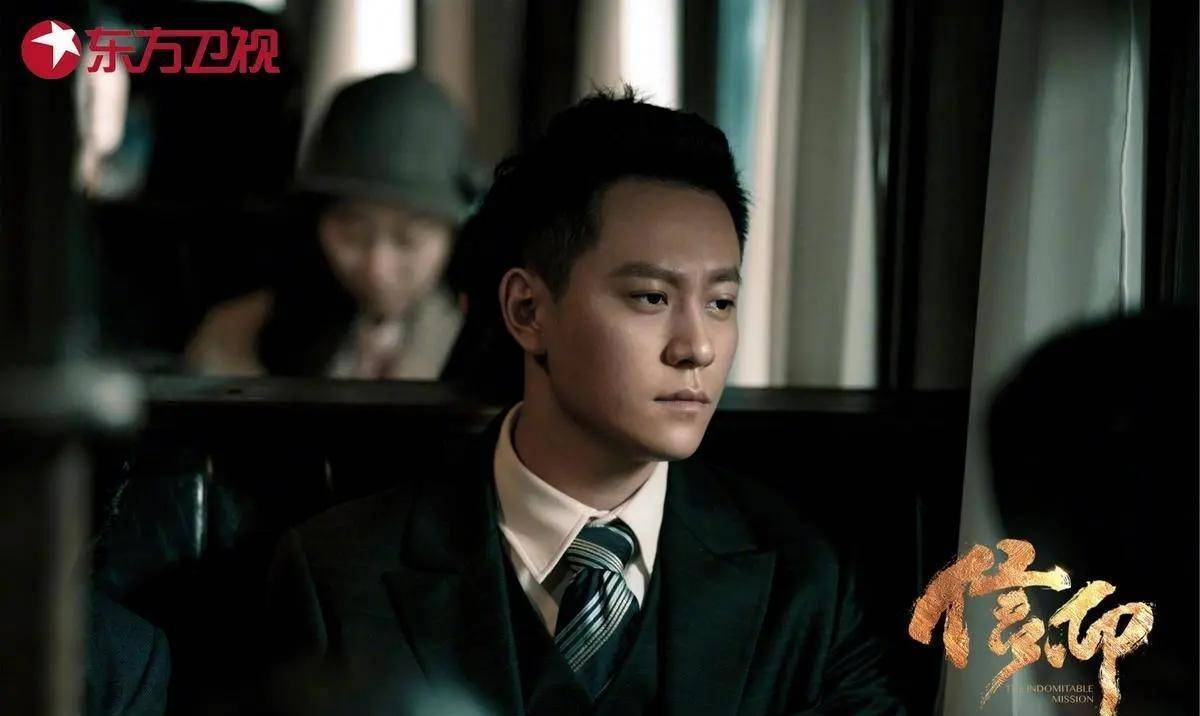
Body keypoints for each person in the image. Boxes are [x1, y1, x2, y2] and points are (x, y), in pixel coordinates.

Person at [263, 89, 906, 715]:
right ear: (528, 310)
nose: (697, 347)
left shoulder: (804, 582)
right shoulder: (337, 578)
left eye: (720, 303)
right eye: (651, 297)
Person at [185, 71, 476, 380]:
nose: (377, 268)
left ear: (453, 235)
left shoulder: (489, 349)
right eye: (353, 235)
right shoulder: (235, 336)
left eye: (407, 240)